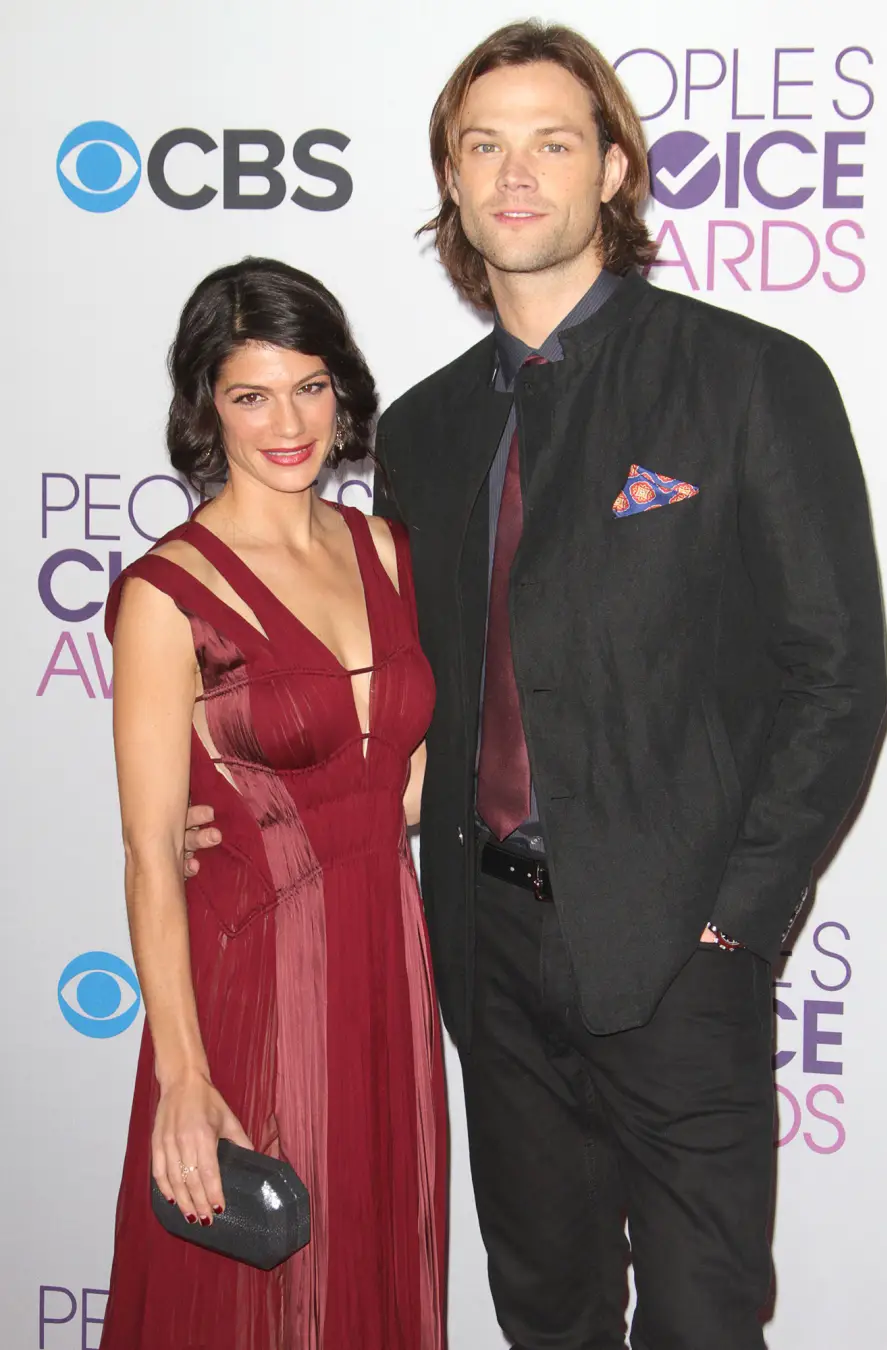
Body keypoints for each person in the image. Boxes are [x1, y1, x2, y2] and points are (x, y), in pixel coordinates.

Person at [185, 21, 887, 1350]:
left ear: (615, 168)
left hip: (681, 951)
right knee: (546, 1310)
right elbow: (388, 692)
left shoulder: (752, 380)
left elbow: (839, 674)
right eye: (483, 145)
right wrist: (228, 810)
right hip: (485, 949)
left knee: (702, 1318)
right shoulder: (428, 430)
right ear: (450, 181)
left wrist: (735, 917)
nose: (517, 174)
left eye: (552, 142)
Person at [101, 258, 447, 1350]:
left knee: (376, 1259)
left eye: (308, 386)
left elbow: (403, 772)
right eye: (250, 394)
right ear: (208, 406)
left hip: (390, 960)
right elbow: (154, 854)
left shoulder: (387, 549)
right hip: (257, 969)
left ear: (342, 388)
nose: (286, 422)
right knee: (262, 1292)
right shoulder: (169, 594)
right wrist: (184, 1074)